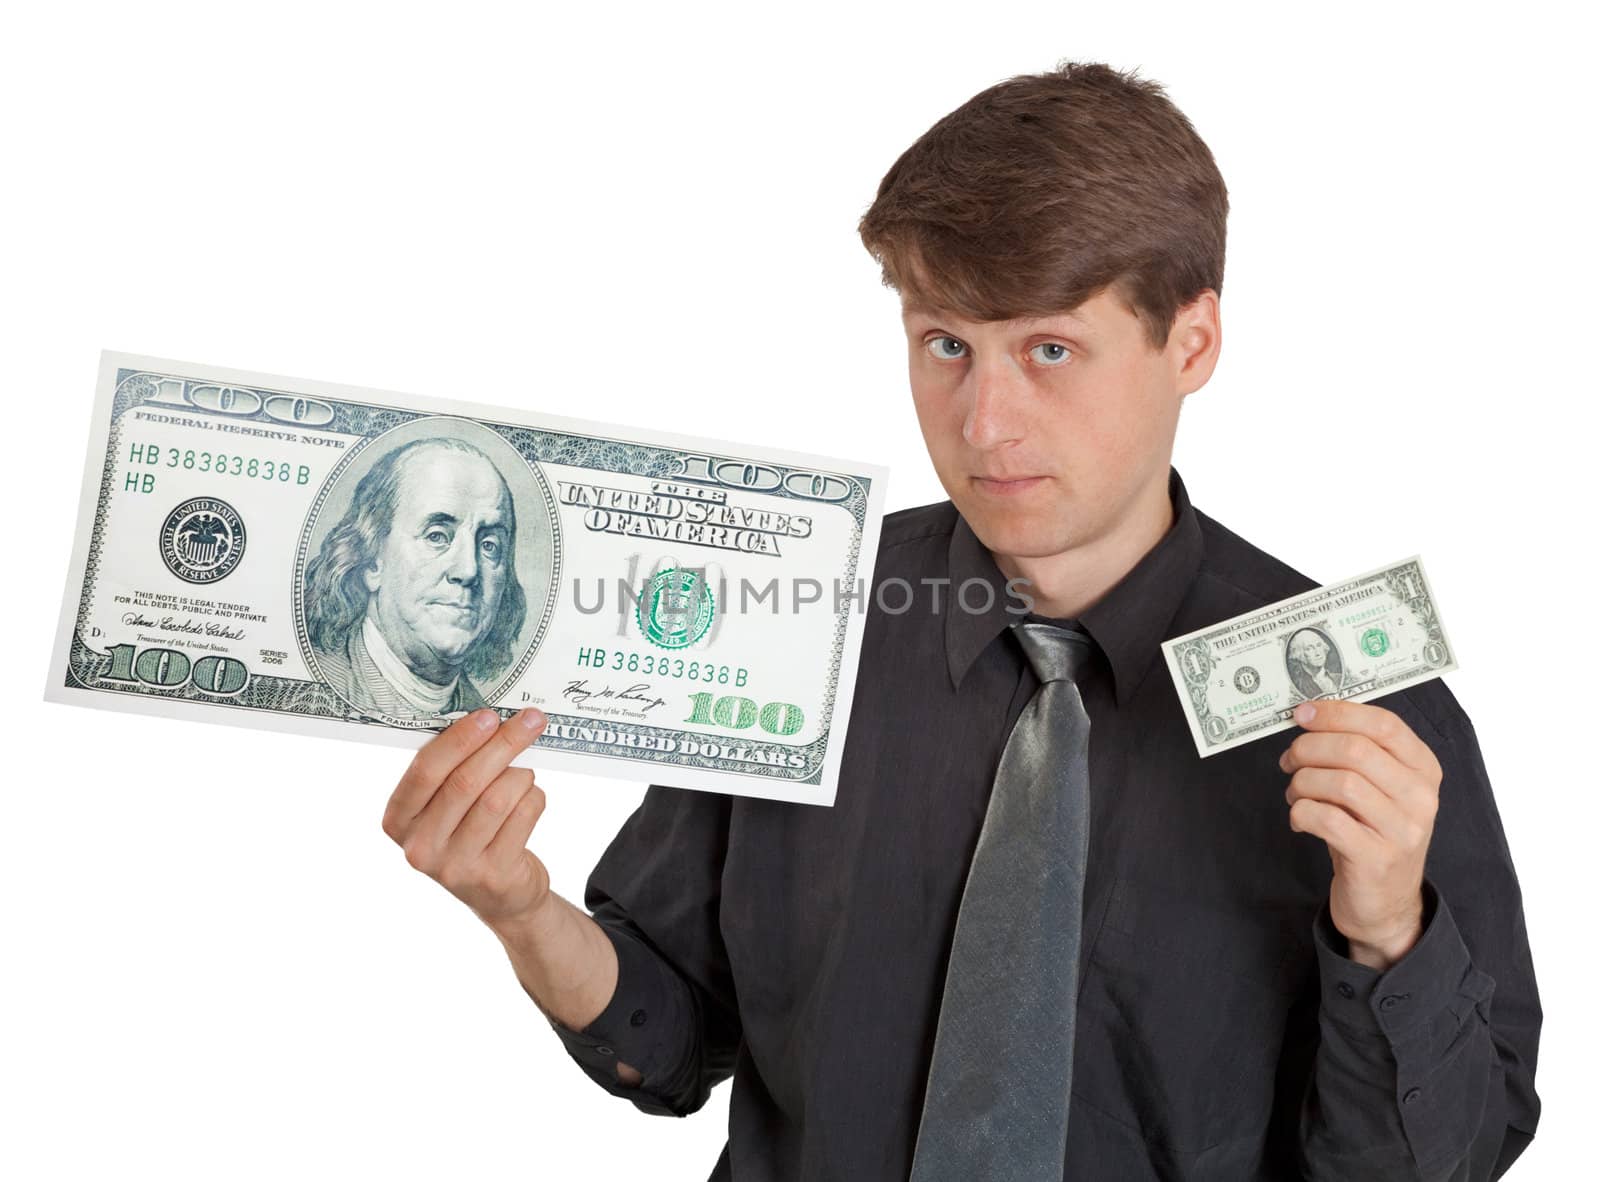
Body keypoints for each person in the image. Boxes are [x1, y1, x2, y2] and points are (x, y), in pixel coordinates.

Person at [379, 62, 1542, 1179]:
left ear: (1190, 342)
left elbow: (1434, 1165)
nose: (983, 423)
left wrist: (1388, 929)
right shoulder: (798, 629)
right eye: (946, 346)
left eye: (1048, 349)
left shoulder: (1365, 715)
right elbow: (671, 1035)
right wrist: (522, 913)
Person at [305, 436, 528, 719]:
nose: (468, 570)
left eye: (489, 546)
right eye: (436, 536)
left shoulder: (486, 718)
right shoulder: (314, 693)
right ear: (373, 561)